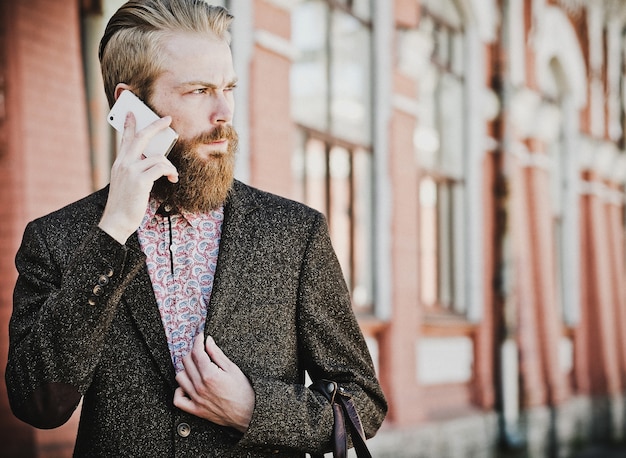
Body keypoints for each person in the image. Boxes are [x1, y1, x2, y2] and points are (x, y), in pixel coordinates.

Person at [5, 0, 387, 456]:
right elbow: (37, 405)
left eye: (228, 87)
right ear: (130, 106)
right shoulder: (57, 239)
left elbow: (363, 404)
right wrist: (112, 234)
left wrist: (254, 409)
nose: (224, 110)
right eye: (198, 91)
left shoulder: (295, 232)